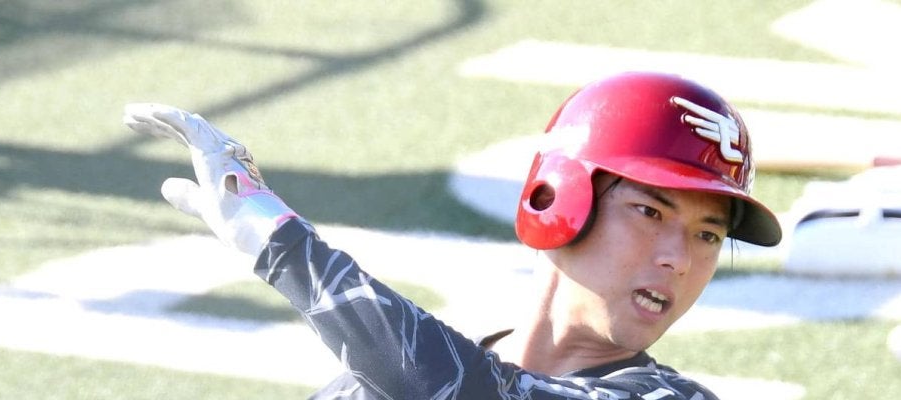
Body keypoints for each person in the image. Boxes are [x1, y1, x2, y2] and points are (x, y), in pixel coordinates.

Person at [124, 71, 782, 399]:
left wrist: (277, 242)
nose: (679, 260)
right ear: (560, 198)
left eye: (707, 236)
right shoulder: (381, 377)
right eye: (651, 212)